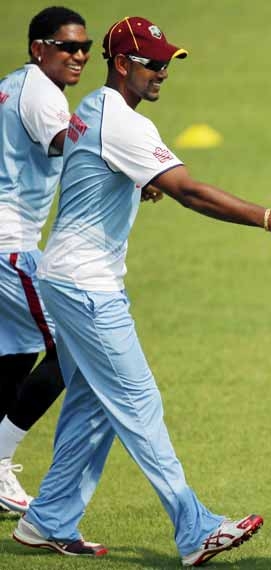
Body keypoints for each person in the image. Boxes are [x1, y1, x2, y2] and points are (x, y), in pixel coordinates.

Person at [11, 16, 271, 566]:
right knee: (138, 401)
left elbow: (91, 168)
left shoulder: (95, 110)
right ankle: (193, 527)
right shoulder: (122, 123)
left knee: (94, 404)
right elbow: (190, 191)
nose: (163, 72)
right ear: (122, 63)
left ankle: (46, 520)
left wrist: (134, 183)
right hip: (87, 286)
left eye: (168, 62)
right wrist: (269, 217)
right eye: (153, 63)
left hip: (65, 277)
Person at [0, 6, 91, 514]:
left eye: (83, 47)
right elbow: (73, 146)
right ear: (39, 48)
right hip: (11, 243)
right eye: (67, 47)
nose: (78, 56)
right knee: (71, 345)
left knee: (13, 355)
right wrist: (133, 172)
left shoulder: (12, 85)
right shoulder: (39, 91)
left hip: (6, 240)